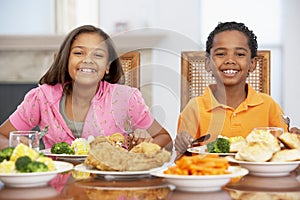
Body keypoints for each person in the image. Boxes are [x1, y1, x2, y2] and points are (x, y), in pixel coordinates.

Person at [0, 25, 172, 151]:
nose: (88, 60)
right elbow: (2, 136)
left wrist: (146, 146)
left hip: (111, 186)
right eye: (78, 53)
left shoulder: (126, 98)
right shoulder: (41, 97)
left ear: (107, 67)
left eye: (97, 55)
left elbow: (165, 138)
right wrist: (13, 144)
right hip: (59, 185)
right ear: (66, 60)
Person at [175, 21, 300, 156]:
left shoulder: (268, 105)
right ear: (208, 64)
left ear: (252, 64)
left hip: (259, 176)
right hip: (211, 174)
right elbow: (182, 164)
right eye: (221, 54)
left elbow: (285, 154)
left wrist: (294, 143)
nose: (230, 60)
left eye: (240, 54)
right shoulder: (194, 108)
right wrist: (183, 148)